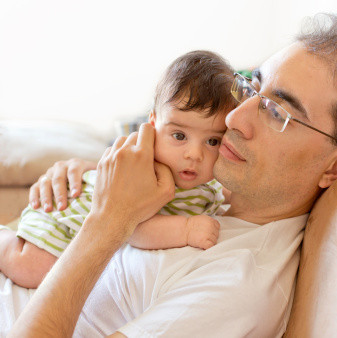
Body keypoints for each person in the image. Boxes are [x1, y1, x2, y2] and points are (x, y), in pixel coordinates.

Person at [2, 14, 337, 337]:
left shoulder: (240, 284)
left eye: (278, 113)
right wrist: (85, 176)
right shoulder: (212, 189)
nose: (234, 118)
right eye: (251, 88)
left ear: (336, 166)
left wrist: (107, 221)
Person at [0, 50, 236, 289]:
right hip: (71, 215)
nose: (194, 154)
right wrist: (186, 229)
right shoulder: (143, 169)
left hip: (95, 240)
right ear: (153, 124)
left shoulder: (211, 179)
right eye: (179, 135)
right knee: (33, 269)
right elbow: (131, 228)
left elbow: (230, 195)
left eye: (212, 141)